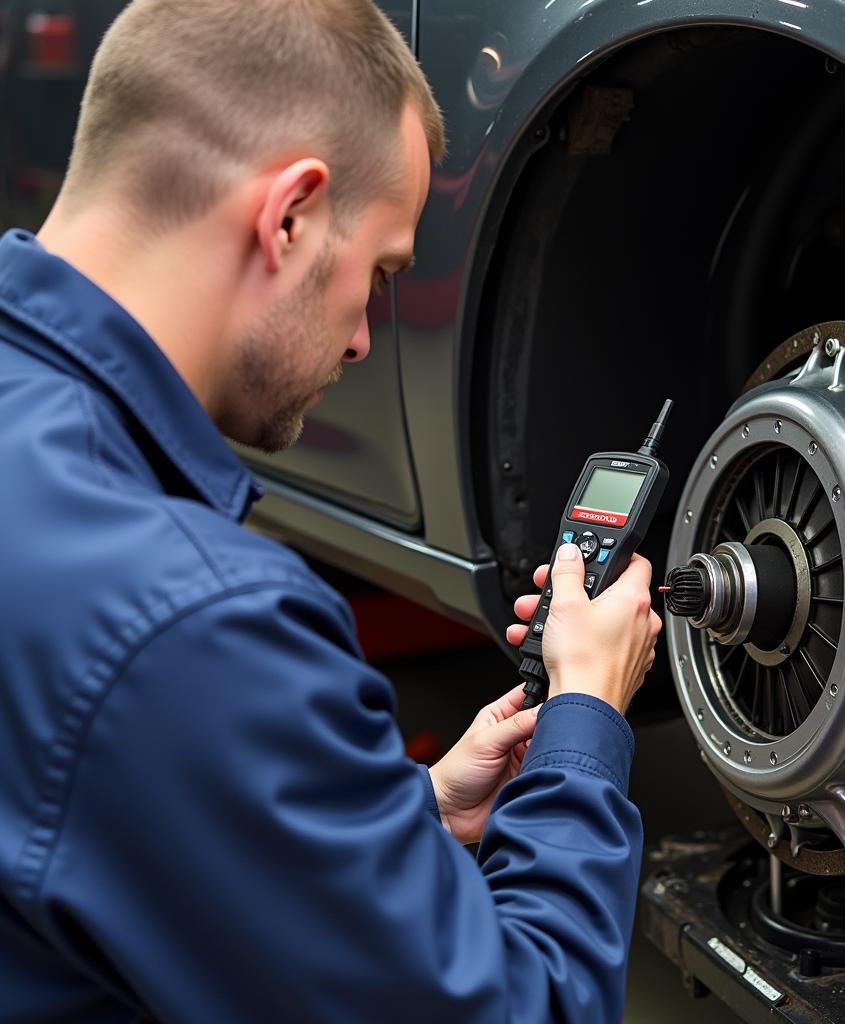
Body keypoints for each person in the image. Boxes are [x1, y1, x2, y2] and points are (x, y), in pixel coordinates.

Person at [0, 0, 662, 1020]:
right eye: (380, 273)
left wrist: (406, 816)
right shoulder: (194, 621)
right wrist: (584, 721)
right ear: (292, 215)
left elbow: (128, 812)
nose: (361, 339)